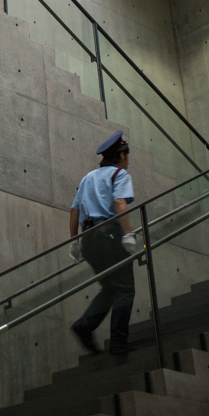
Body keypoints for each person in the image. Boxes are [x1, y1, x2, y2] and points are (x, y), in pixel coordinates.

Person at [68, 131, 138, 356]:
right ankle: (118, 342)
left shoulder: (88, 177)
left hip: (89, 239)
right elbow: (119, 203)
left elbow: (74, 210)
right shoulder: (120, 174)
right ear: (120, 155)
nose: (128, 160)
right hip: (109, 233)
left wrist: (75, 242)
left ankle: (85, 325)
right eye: (127, 155)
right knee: (125, 289)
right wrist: (128, 233)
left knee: (110, 287)